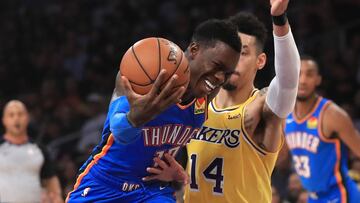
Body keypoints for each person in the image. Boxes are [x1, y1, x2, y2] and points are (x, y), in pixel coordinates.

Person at [66, 19, 241, 203]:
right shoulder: (149, 69)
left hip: (151, 190)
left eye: (227, 73)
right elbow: (118, 132)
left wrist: (177, 170)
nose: (221, 77)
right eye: (217, 66)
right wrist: (134, 119)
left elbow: (168, 138)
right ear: (194, 50)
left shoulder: (207, 92)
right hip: (106, 184)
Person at [172, 0, 300, 202]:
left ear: (261, 61)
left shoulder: (262, 110)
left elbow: (289, 82)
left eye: (243, 53)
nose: (233, 61)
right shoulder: (196, 103)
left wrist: (279, 20)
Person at [284, 55, 360, 202]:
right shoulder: (285, 115)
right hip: (313, 197)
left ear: (318, 80)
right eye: (299, 73)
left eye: (310, 74)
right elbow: (280, 160)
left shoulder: (332, 114)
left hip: (340, 195)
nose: (303, 80)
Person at [0, 100, 63, 203]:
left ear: (27, 118)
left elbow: (50, 180)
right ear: (4, 120)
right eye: (11, 115)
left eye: (20, 114)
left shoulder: (39, 149)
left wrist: (56, 197)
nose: (16, 118)